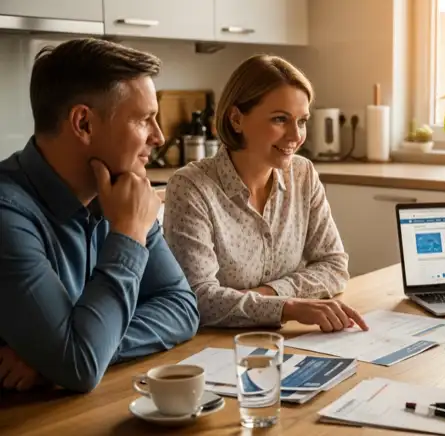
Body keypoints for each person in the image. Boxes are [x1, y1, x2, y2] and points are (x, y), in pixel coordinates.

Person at [0, 38, 200, 393]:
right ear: (84, 124)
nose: (159, 137)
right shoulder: (7, 213)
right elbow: (79, 365)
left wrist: (60, 357)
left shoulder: (119, 189)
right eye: (144, 120)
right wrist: (128, 234)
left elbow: (182, 307)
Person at [163, 54, 367, 333]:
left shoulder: (302, 174)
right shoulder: (191, 187)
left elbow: (334, 266)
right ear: (236, 119)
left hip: (289, 340)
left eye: (302, 121)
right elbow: (198, 298)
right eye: (280, 119)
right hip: (217, 348)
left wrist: (270, 294)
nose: (295, 136)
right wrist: (289, 307)